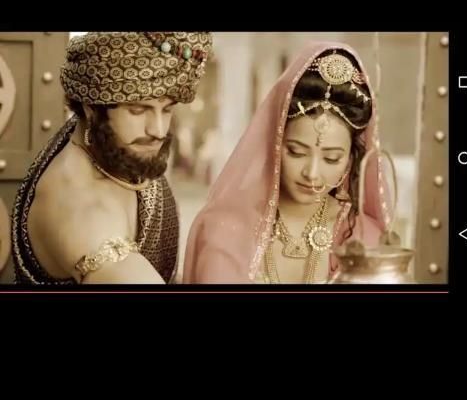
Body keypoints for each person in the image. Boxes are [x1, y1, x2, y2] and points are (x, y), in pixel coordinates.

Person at [11, 31, 213, 285]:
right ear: (91, 109)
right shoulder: (82, 211)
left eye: (167, 109)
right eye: (138, 110)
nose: (158, 130)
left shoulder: (108, 147)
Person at [183, 41, 392, 284]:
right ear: (273, 145)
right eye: (296, 152)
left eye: (331, 158)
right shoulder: (225, 229)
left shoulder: (363, 237)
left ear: (350, 161)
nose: (311, 173)